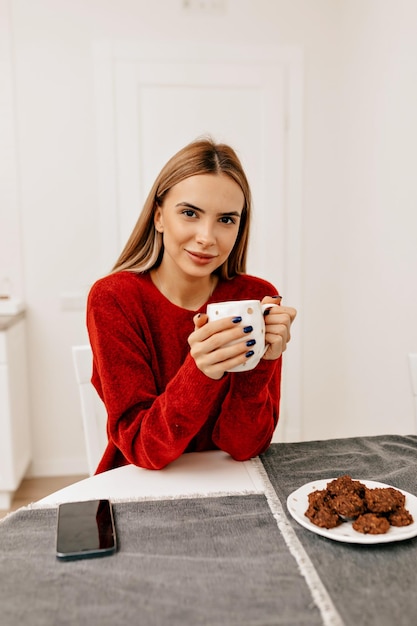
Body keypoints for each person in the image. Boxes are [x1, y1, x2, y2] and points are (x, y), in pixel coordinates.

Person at [87, 137, 297, 473]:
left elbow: (244, 447)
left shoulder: (255, 298)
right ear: (158, 217)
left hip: (230, 485)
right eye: (189, 213)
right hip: (138, 488)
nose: (206, 237)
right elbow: (144, 449)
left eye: (226, 219)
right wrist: (199, 372)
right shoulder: (114, 298)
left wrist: (262, 364)